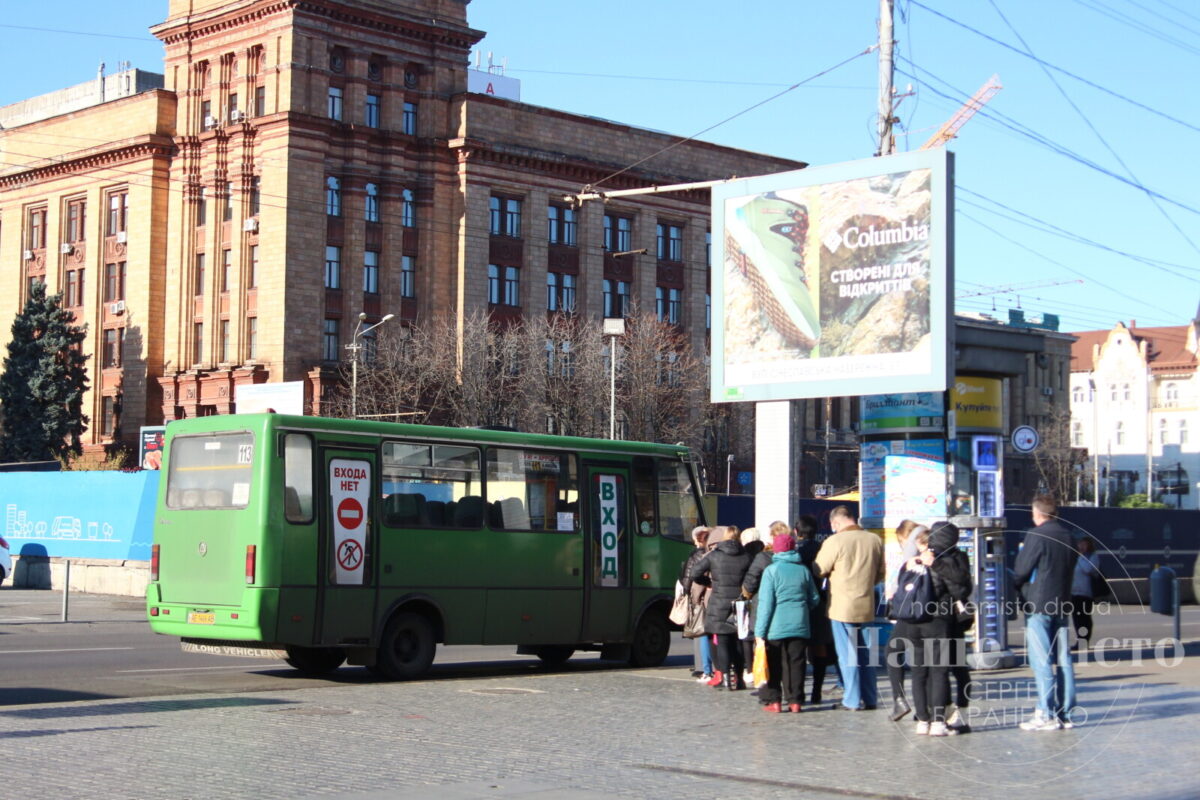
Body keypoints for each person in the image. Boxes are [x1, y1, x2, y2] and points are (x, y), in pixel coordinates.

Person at [1014, 495, 1078, 731]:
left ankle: (1045, 713)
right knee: (1064, 659)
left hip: (1039, 604)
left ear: (1038, 513)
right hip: (1062, 603)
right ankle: (1066, 714)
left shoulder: (1036, 535)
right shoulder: (1070, 536)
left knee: (1041, 659)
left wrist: (1017, 587)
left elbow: (1021, 570)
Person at [904, 522, 972, 737]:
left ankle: (931, 718)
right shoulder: (941, 560)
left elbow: (961, 586)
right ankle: (938, 719)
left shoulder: (922, 559)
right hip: (939, 621)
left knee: (928, 671)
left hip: (930, 622)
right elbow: (960, 588)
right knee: (938, 671)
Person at [815, 505, 885, 711]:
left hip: (841, 606)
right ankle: (870, 698)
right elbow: (881, 573)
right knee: (866, 654)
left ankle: (852, 700)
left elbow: (819, 569)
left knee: (847, 654)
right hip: (866, 604)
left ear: (835, 523)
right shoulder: (874, 540)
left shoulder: (834, 541)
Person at [754, 530, 820, 713]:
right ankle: (796, 701)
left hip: (776, 626)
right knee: (797, 663)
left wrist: (760, 632)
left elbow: (765, 605)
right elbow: (814, 598)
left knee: (774, 664)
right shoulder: (803, 570)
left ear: (776, 550)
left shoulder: (771, 571)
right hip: (800, 624)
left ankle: (775, 701)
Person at [691, 525, 752, 690]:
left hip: (719, 602)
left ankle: (725, 679)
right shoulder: (746, 556)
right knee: (738, 642)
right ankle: (739, 679)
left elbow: (694, 573)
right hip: (739, 604)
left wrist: (709, 583)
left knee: (723, 642)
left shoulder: (714, 556)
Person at [883, 520, 924, 722]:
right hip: (928, 614)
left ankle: (900, 700)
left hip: (910, 614)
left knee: (892, 651)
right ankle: (925, 708)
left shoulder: (912, 557)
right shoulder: (930, 552)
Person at [794, 515, 837, 704]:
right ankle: (817, 692)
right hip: (820, 601)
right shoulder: (822, 550)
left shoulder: (796, 553)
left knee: (799, 650)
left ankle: (799, 691)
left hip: (800, 602)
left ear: (797, 532)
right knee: (819, 648)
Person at [739, 524, 778, 687]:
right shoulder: (766, 553)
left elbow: (750, 579)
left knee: (751, 635)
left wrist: (745, 593)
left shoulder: (750, 555)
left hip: (755, 598)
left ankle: (753, 669)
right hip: (772, 600)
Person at [679, 526, 713, 682]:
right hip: (716, 597)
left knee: (701, 632)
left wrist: (686, 594)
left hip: (700, 597)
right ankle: (716, 668)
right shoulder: (716, 553)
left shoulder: (696, 555)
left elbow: (689, 576)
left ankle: (704, 668)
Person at [1071, 537, 1101, 650]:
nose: (1081, 547)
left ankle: (1084, 642)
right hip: (1074, 592)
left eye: (1084, 544)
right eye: (1080, 544)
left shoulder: (1092, 557)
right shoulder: (1076, 557)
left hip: (1086, 593)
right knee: (1077, 619)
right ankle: (1079, 640)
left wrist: (1080, 558)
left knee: (1085, 618)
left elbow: (1088, 569)